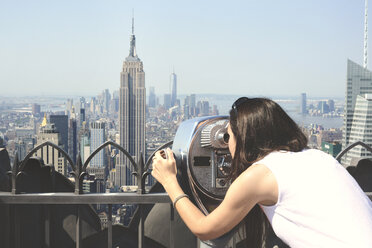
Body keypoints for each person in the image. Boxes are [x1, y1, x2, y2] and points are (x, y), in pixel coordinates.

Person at [151, 97, 372, 248]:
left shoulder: (260, 175)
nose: (227, 144)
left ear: (245, 137)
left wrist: (169, 180)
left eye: (229, 136)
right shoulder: (317, 157)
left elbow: (205, 229)